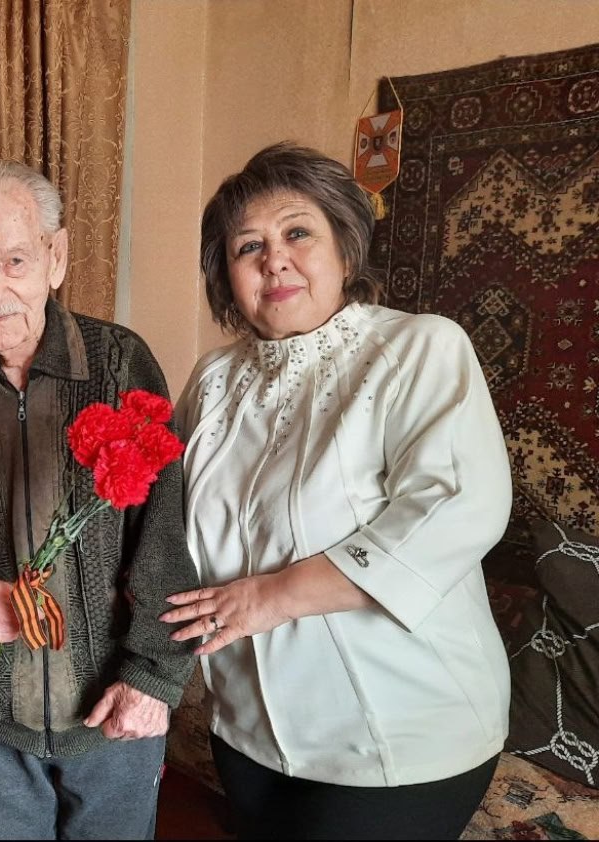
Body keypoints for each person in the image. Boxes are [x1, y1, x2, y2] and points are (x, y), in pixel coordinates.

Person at [163, 143, 511, 840]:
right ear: (226, 275)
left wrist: (271, 597)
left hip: (397, 735)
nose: (274, 260)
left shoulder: (419, 350)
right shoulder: (212, 380)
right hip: (247, 729)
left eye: (298, 233)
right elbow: (167, 515)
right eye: (248, 246)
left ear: (345, 252)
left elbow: (455, 508)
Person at [0, 160, 199, 840]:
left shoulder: (119, 363)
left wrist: (153, 677)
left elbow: (164, 533)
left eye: (16, 260)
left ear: (55, 258)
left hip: (114, 703)